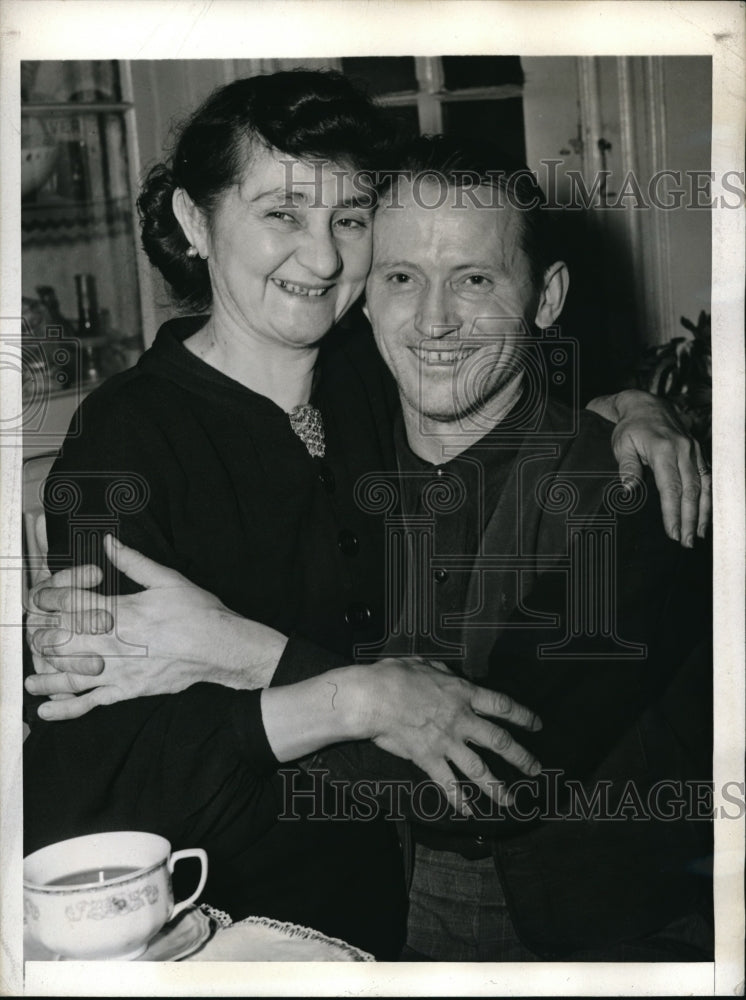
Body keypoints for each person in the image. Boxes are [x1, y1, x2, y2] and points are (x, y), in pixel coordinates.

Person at [25, 76, 711, 959]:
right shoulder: (119, 442)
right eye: (281, 214)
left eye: (349, 219)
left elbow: (504, 389)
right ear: (195, 223)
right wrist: (354, 699)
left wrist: (638, 410)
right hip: (234, 916)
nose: (320, 261)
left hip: (416, 903)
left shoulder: (365, 378)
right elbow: (98, 774)